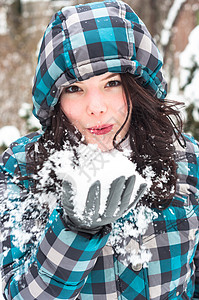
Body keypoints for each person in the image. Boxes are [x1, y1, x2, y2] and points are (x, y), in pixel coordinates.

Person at [0, 0, 199, 299]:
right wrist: (74, 232)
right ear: (54, 100)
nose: (96, 108)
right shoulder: (23, 167)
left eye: (112, 83)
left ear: (138, 86)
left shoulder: (187, 158)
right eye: (74, 89)